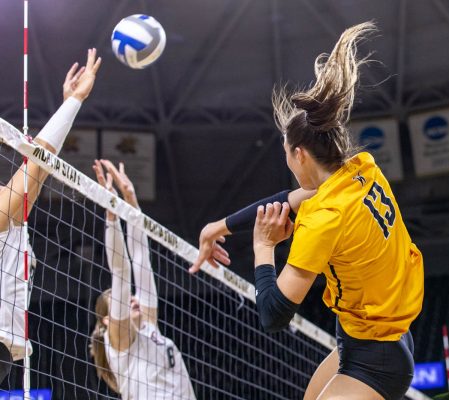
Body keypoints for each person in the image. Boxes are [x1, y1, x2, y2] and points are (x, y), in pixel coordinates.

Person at [190, 22, 424, 400]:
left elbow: (274, 314)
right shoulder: (361, 169)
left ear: (299, 154)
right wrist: (217, 227)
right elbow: (286, 200)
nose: (287, 162)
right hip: (365, 338)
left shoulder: (324, 217)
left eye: (285, 153)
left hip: (378, 359)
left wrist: (263, 248)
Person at [0, 49, 101, 382]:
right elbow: (35, 164)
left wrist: (69, 103)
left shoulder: (10, 222)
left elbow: (38, 170)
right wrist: (74, 102)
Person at [89, 160, 196, 400]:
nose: (133, 300)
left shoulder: (149, 327)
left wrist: (131, 201)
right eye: (124, 301)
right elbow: (121, 272)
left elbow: (141, 260)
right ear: (109, 320)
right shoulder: (121, 342)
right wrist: (112, 213)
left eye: (132, 298)